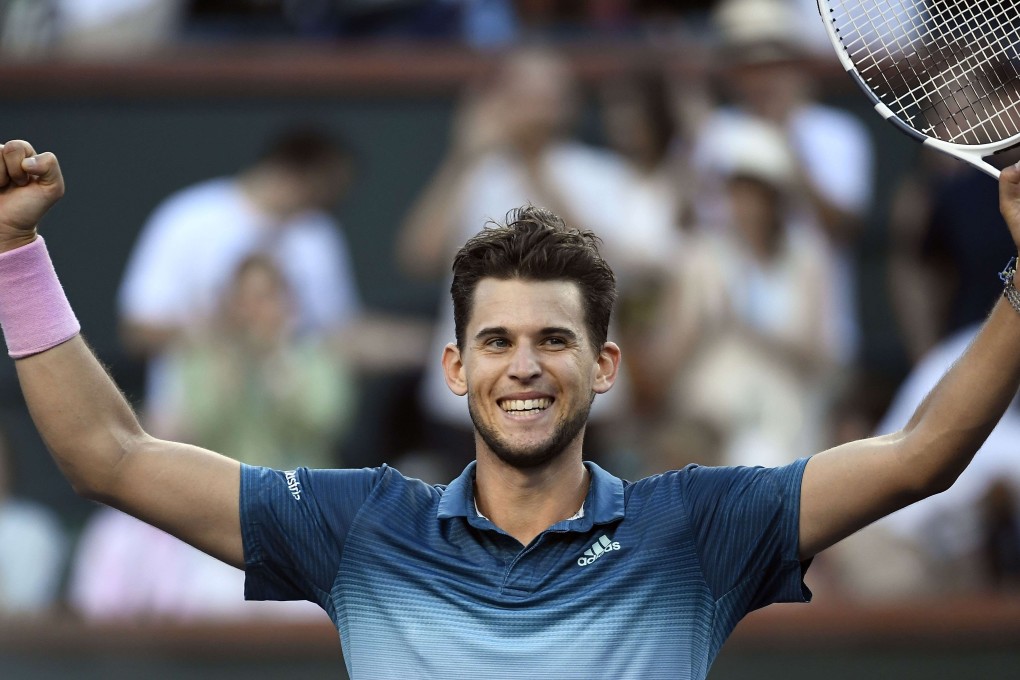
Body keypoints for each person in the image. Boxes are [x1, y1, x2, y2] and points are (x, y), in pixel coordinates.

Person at [4, 138, 1020, 677]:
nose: (523, 365)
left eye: (552, 339)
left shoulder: (697, 526)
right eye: (496, 340)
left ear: (605, 363)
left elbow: (924, 453)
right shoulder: (361, 524)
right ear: (454, 368)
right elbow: (108, 455)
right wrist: (15, 254)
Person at [117, 124, 361, 429]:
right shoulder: (188, 218)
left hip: (287, 436)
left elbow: (339, 335)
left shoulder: (317, 233)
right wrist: (227, 336)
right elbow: (138, 330)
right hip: (194, 428)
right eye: (326, 188)